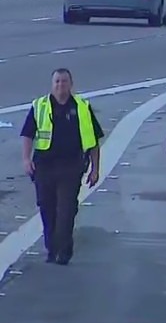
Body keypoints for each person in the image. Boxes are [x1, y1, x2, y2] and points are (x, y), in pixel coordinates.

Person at [20, 68, 104, 265]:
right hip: (44, 167)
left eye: (64, 81)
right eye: (57, 82)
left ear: (71, 84)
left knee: (66, 210)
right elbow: (27, 134)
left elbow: (93, 142)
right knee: (47, 209)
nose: (60, 85)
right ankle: (52, 248)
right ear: (52, 85)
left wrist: (95, 169)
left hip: (71, 167)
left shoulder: (82, 107)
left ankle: (64, 251)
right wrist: (26, 159)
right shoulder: (40, 106)